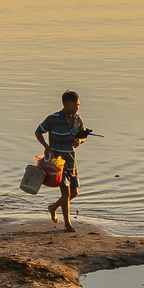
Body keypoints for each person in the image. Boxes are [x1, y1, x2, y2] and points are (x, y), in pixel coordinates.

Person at [33, 90, 90, 231]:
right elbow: (38, 132)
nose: (76, 108)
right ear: (65, 104)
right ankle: (67, 224)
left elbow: (82, 137)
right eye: (74, 105)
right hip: (57, 162)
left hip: (71, 160)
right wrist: (46, 147)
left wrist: (80, 140)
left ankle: (53, 207)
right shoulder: (53, 119)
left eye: (78, 105)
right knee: (66, 193)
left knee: (74, 192)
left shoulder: (78, 120)